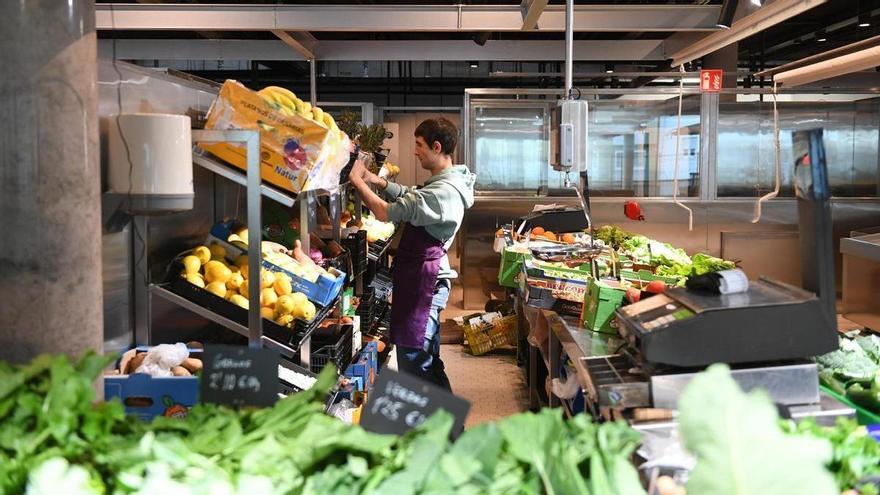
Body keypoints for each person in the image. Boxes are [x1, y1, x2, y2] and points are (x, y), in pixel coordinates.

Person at [348, 117, 475, 391]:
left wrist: (357, 181)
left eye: (419, 145)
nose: (415, 151)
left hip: (425, 285)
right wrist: (375, 180)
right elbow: (411, 194)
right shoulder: (447, 181)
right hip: (422, 279)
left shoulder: (442, 193)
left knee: (415, 361)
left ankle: (439, 429)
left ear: (437, 147)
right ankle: (448, 430)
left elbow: (384, 212)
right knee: (425, 360)